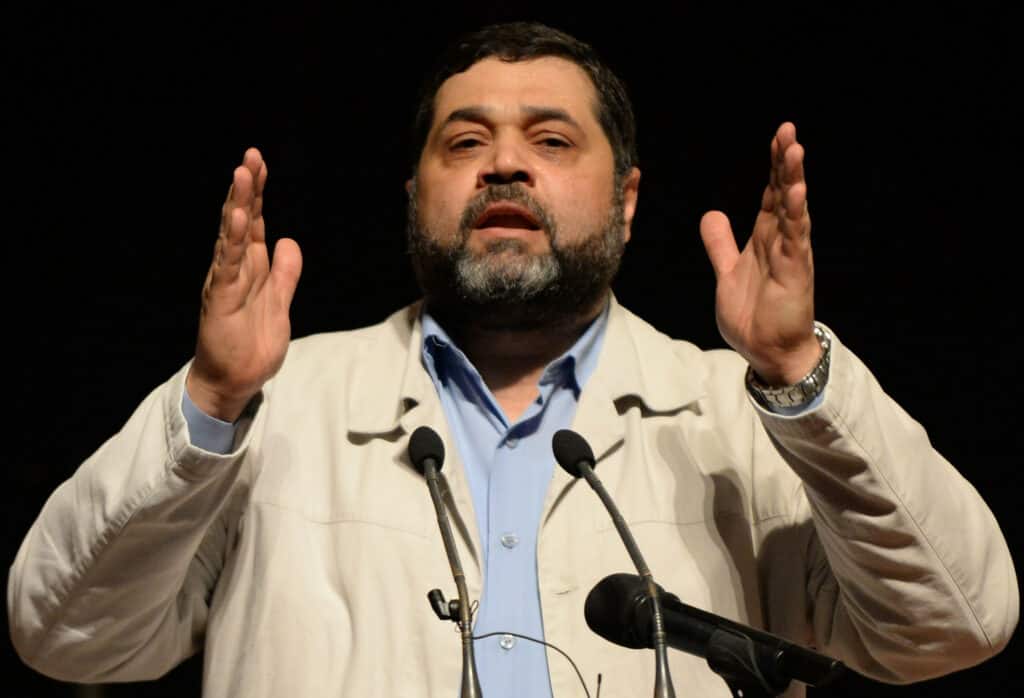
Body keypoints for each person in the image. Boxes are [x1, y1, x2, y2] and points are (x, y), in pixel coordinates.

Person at [7, 21, 1018, 698]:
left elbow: (952, 626)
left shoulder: (734, 414)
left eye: (552, 140)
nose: (503, 163)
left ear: (626, 198)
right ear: (416, 195)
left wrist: (796, 368)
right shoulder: (278, 407)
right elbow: (65, 635)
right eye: (463, 143)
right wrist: (212, 398)